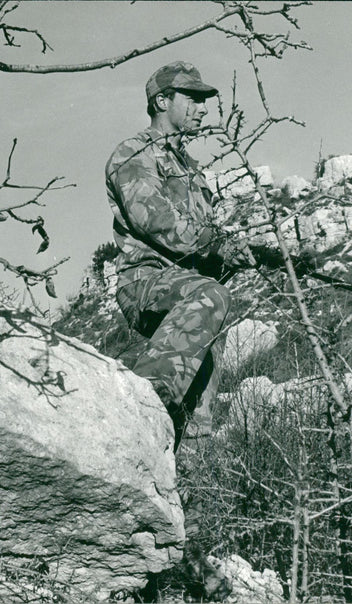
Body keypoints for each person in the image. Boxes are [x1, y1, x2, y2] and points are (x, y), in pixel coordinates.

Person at [105, 61, 253, 451]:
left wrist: (241, 255)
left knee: (213, 318)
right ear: (161, 100)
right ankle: (136, 413)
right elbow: (157, 222)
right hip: (146, 282)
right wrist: (217, 244)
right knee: (210, 296)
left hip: (187, 285)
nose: (203, 108)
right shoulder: (133, 155)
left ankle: (189, 455)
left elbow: (203, 248)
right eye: (194, 99)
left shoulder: (191, 169)